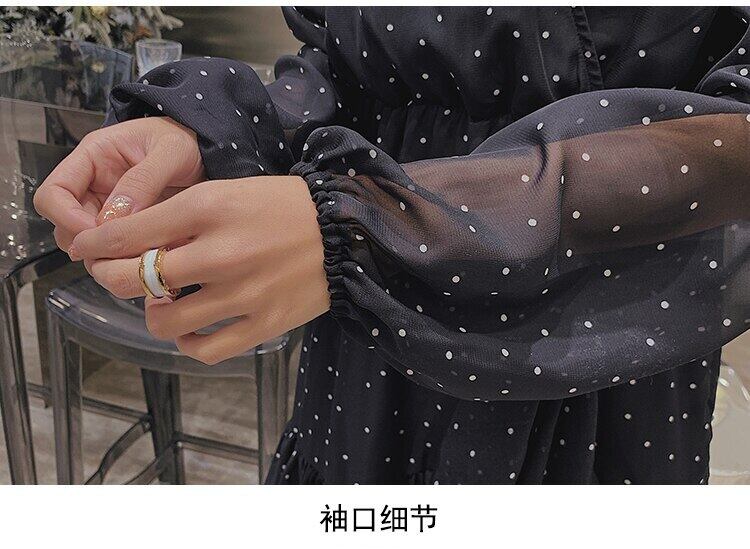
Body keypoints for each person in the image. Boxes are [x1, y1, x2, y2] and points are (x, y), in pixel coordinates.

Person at [35, 7, 750, 484]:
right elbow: (343, 67)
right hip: (363, 335)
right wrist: (213, 133)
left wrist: (363, 227)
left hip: (586, 314)